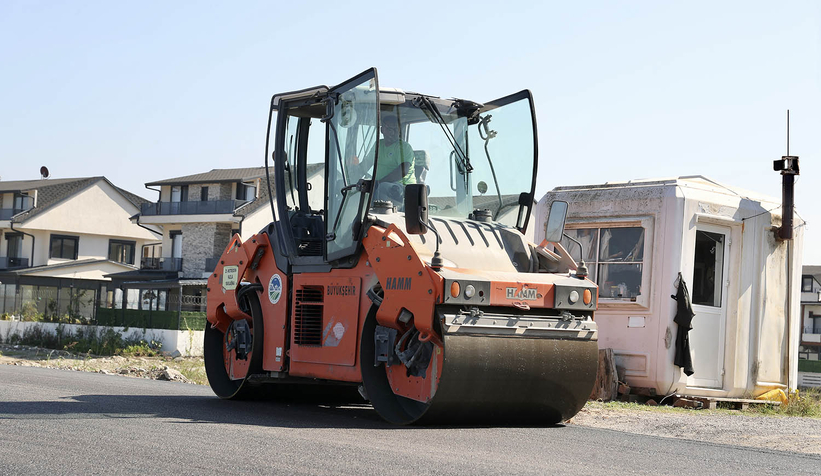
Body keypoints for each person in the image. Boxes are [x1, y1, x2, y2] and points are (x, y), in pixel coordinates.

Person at [348, 113, 416, 201]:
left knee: (383, 187)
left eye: (395, 129)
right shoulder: (378, 144)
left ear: (399, 130)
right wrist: (351, 178)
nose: (392, 132)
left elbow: (403, 170)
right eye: (388, 128)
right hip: (380, 184)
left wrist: (379, 182)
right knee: (357, 187)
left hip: (401, 188)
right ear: (382, 130)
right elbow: (366, 164)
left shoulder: (404, 147)